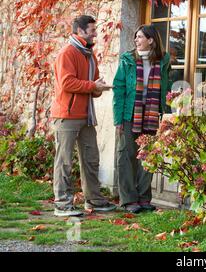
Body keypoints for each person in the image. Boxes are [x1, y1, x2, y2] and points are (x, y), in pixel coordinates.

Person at [50, 15, 117, 217]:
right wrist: (92, 86)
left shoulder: (89, 54)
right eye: (91, 30)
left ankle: (94, 200)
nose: (95, 33)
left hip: (86, 115)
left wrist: (99, 88)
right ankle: (62, 204)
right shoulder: (67, 53)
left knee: (91, 158)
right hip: (67, 115)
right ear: (80, 31)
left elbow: (92, 83)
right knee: (64, 161)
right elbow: (67, 83)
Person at [113, 25, 172, 213]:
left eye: (140, 37)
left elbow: (166, 86)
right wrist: (118, 119)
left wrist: (167, 111)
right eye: (136, 37)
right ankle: (129, 199)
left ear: (151, 40)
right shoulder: (127, 60)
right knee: (127, 155)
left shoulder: (163, 61)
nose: (136, 41)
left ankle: (144, 198)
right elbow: (119, 89)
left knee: (148, 156)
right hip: (130, 113)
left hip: (152, 113)